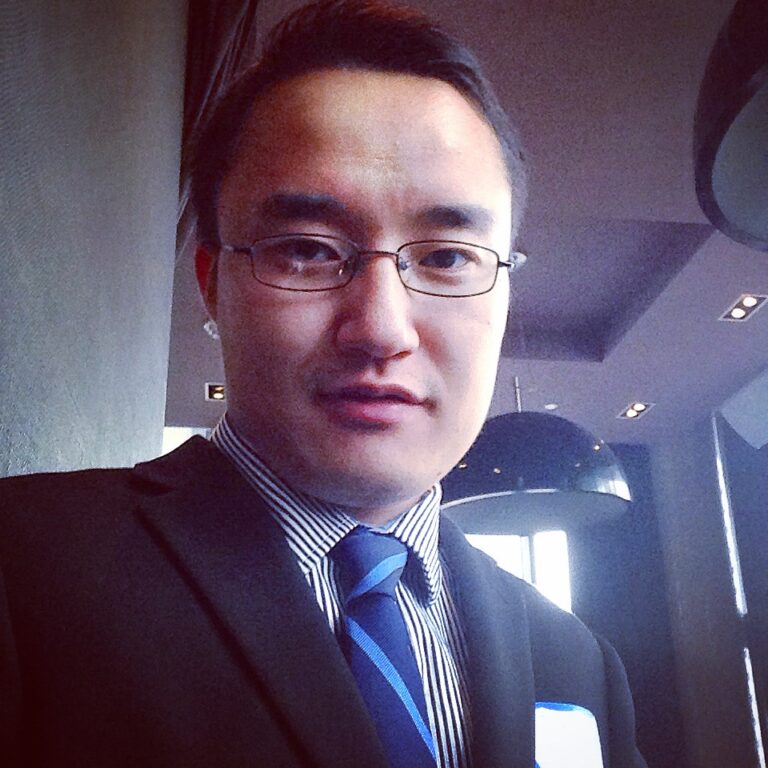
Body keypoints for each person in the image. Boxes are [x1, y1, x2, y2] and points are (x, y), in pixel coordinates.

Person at [0, 1, 647, 766]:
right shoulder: (25, 568)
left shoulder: (575, 657)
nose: (381, 328)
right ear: (212, 282)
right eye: (307, 249)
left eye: (447, 258)